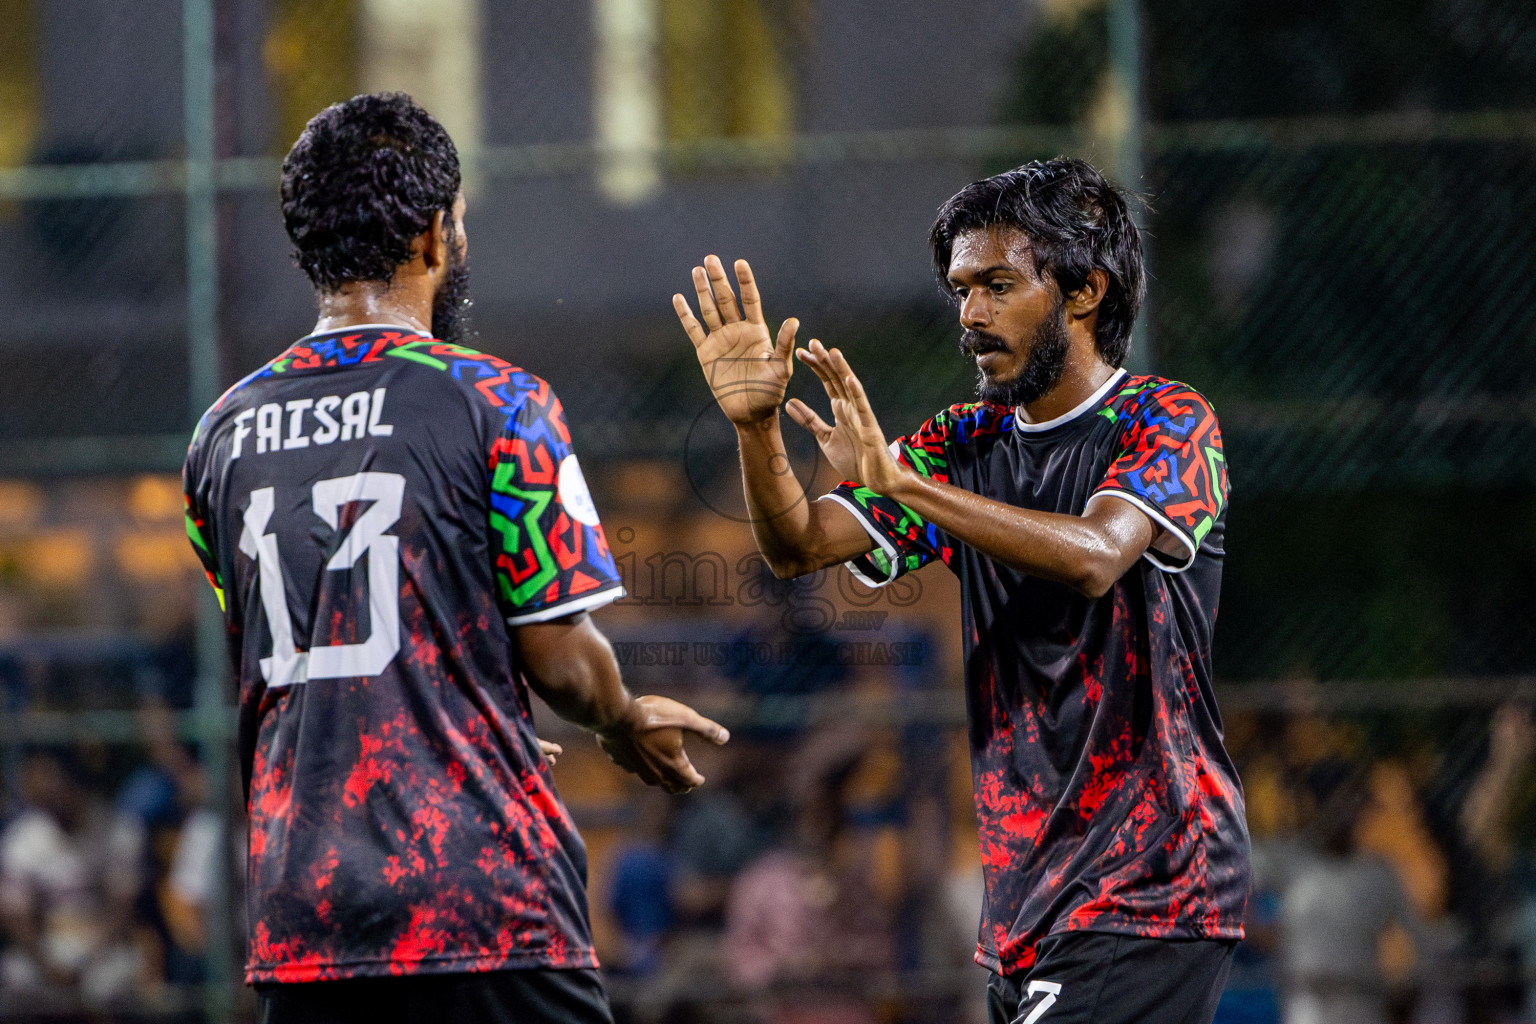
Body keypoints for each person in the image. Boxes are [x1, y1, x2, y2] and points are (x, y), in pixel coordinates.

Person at [183, 92, 728, 1024]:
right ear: (436, 234)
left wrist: (461, 698)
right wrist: (622, 717)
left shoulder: (220, 434)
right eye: (460, 219)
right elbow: (560, 656)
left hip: (305, 915)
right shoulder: (494, 402)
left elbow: (305, 645)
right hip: (478, 901)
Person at [674, 157, 1249, 1024]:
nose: (970, 316)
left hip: (1150, 877)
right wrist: (757, 427)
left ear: (1085, 291)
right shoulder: (967, 442)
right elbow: (797, 545)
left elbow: (1097, 553)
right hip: (1028, 895)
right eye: (959, 291)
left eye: (996, 285)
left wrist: (907, 487)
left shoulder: (1166, 420)